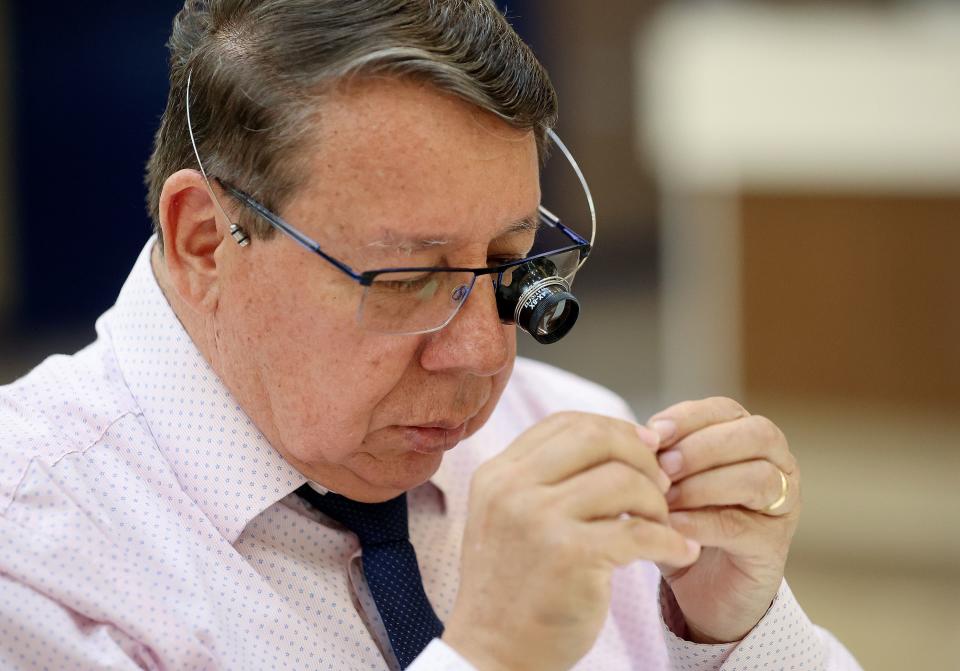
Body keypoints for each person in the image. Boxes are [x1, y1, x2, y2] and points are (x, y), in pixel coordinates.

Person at [0, 1, 863, 669]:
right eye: (408, 279)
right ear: (202, 241)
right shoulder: (33, 553)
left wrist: (735, 634)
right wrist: (488, 653)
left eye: (510, 263)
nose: (484, 356)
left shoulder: (562, 430)